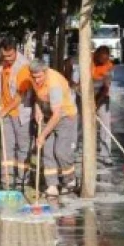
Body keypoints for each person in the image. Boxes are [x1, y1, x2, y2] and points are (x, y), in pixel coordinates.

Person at [31, 59, 78, 198]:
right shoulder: (34, 77)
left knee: (61, 151)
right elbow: (37, 95)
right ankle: (52, 185)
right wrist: (37, 109)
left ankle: (70, 180)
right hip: (47, 115)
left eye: (39, 77)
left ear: (45, 72)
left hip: (65, 117)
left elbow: (57, 114)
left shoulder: (54, 84)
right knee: (47, 151)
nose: (37, 80)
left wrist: (42, 135)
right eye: (34, 77)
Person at [0, 37, 34, 190]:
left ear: (16, 51)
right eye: (5, 56)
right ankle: (7, 178)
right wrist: (1, 105)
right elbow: (1, 85)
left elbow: (21, 95)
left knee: (23, 146)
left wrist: (6, 109)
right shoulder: (2, 63)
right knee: (7, 145)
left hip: (21, 113)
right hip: (5, 113)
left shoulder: (23, 66)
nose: (8, 59)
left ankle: (22, 179)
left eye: (10, 56)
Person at [92, 46, 116, 166]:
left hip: (101, 96)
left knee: (105, 125)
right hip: (85, 94)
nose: (103, 62)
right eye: (101, 59)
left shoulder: (109, 66)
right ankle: (74, 148)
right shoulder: (88, 60)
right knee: (79, 124)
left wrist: (96, 104)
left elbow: (105, 88)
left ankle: (106, 154)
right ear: (96, 54)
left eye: (105, 60)